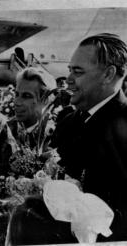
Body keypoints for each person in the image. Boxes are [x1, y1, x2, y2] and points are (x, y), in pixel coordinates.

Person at [53, 33, 127, 242]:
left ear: (108, 74)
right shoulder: (69, 121)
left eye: (78, 71)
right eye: (70, 70)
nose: (68, 79)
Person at [8, 67, 56, 146]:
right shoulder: (2, 131)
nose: (17, 102)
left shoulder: (54, 136)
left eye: (26, 96)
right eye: (16, 94)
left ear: (45, 100)